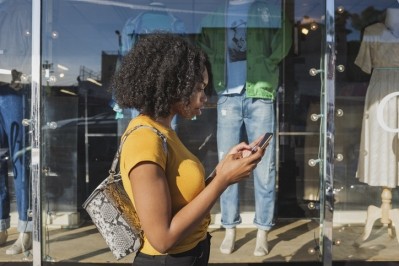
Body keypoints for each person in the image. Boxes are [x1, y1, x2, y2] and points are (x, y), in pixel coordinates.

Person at [111, 32, 267, 266]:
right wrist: (222, 181)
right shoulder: (145, 139)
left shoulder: (162, 131)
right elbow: (162, 239)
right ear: (172, 84)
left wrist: (222, 170)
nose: (204, 97)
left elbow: (183, 200)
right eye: (198, 88)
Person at [196, 0, 292, 256]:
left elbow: (285, 34)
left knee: (265, 164)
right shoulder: (216, 15)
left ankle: (262, 229)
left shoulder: (267, 9)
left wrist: (269, 62)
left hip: (260, 93)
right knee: (226, 164)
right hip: (227, 94)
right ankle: (229, 227)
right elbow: (202, 48)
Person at [0, 0, 32, 255]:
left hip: (12, 86)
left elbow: (30, 41)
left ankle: (26, 229)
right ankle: (1, 225)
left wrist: (21, 73)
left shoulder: (18, 6)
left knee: (20, 159)